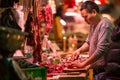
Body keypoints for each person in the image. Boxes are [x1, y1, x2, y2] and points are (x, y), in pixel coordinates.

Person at [70, 1, 113, 80]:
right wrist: (79, 50)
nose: (85, 20)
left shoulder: (105, 24)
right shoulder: (92, 24)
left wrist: (83, 64)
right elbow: (89, 42)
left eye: (85, 17)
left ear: (94, 12)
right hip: (96, 70)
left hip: (104, 72)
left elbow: (101, 49)